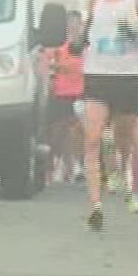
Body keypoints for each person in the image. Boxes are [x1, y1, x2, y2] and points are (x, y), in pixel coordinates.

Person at [71, 0, 138, 231]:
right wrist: (76, 42)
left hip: (127, 77)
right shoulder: (94, 0)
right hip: (97, 75)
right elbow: (84, 38)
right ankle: (95, 205)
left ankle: (123, 175)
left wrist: (136, 31)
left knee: (124, 140)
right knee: (92, 140)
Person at [45, 10, 85, 185]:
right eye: (70, 22)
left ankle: (75, 167)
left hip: (81, 94)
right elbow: (49, 66)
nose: (73, 26)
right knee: (57, 135)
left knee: (77, 132)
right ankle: (51, 168)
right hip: (60, 94)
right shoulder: (56, 45)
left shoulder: (85, 46)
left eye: (77, 23)